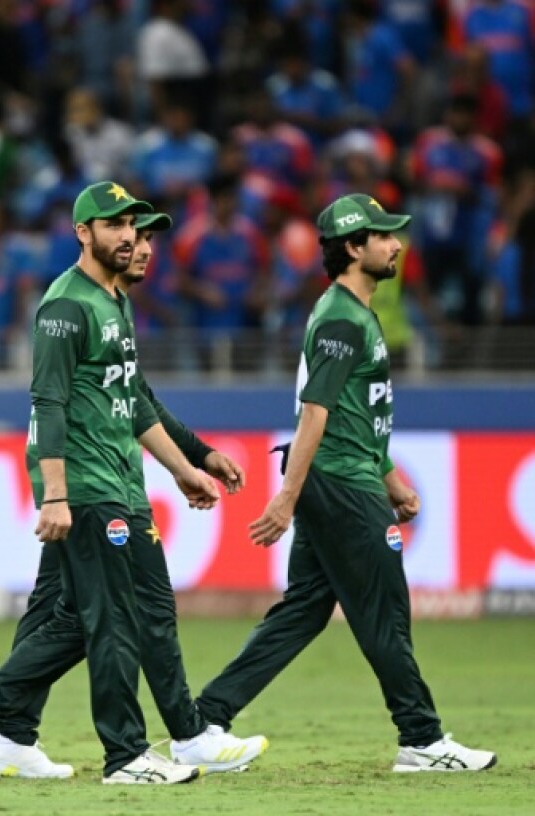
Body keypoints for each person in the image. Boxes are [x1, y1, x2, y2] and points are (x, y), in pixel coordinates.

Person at [0, 197, 268, 782]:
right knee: (111, 618)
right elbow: (48, 401)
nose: (135, 241)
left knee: (97, 611)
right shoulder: (66, 307)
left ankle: (9, 726)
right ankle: (122, 754)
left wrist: (190, 462)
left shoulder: (113, 304)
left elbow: (135, 401)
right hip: (85, 483)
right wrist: (55, 493)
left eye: (142, 231)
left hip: (119, 478)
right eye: (119, 226)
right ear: (82, 232)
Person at [194, 194, 498, 773]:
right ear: (353, 248)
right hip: (337, 485)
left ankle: (205, 717)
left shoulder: (354, 312)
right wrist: (286, 497)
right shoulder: (339, 317)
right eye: (383, 237)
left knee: (304, 611)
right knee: (384, 610)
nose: (397, 244)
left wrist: (390, 478)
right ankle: (422, 740)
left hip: (348, 478)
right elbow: (316, 413)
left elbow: (360, 412)